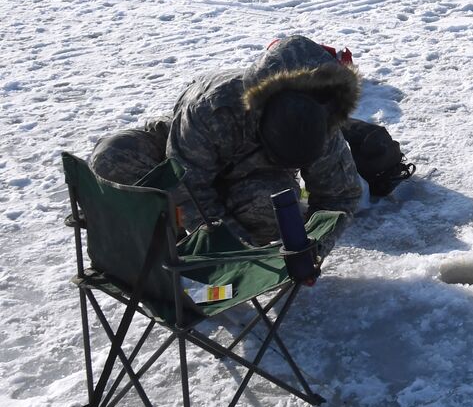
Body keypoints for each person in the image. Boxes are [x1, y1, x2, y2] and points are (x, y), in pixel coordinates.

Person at [89, 36, 363, 249]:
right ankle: (165, 237)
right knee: (111, 157)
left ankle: (219, 235)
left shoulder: (323, 121)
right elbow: (187, 185)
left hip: (250, 178)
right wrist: (232, 248)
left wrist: (313, 246)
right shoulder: (212, 107)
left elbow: (340, 196)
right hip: (180, 152)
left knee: (274, 213)